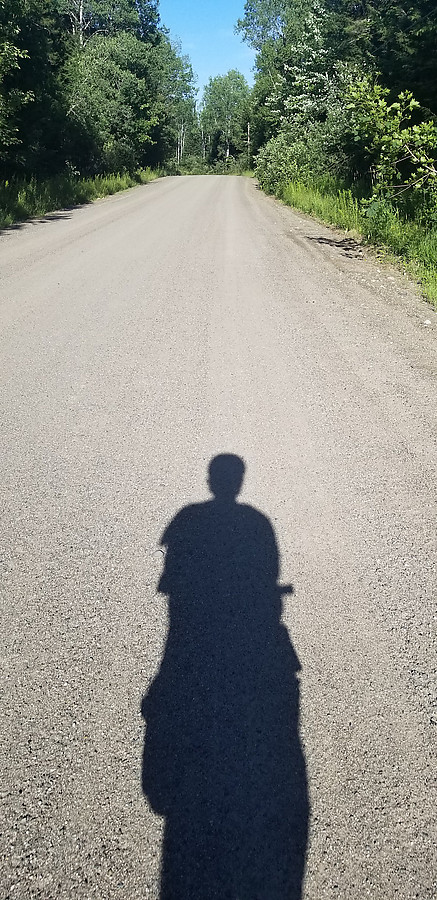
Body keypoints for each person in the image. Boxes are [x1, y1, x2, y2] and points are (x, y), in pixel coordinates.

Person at [142, 454, 308, 899]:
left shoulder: (188, 521)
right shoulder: (258, 525)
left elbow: (173, 590)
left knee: (172, 699)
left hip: (195, 635)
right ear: (239, 482)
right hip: (245, 634)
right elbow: (269, 588)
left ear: (211, 480)